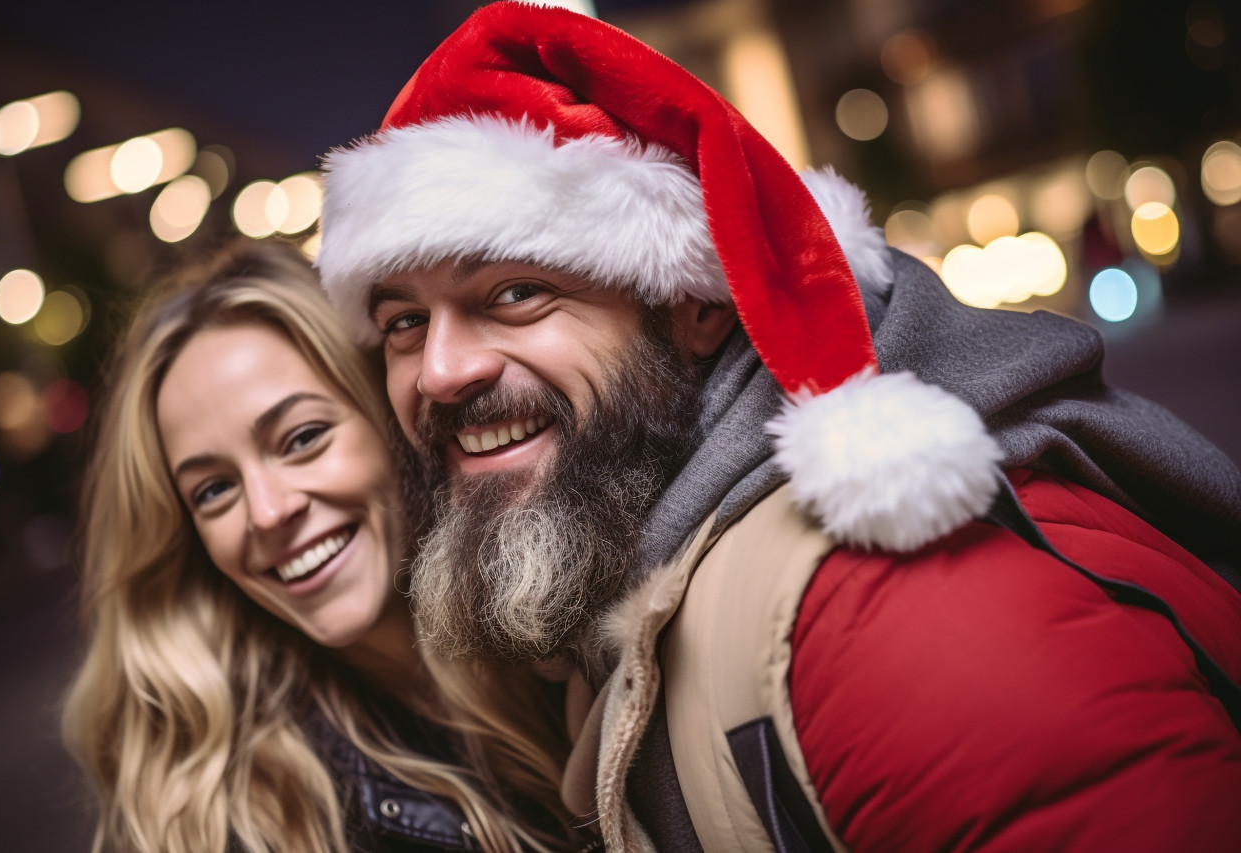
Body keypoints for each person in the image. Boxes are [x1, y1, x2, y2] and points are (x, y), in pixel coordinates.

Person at [316, 3, 1241, 851]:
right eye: (404, 321)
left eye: (517, 294)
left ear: (695, 307)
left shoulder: (890, 607)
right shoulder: (638, 560)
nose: (441, 370)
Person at [61, 239, 590, 853]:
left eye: (302, 438)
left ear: (390, 416)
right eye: (213, 490)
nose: (266, 512)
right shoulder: (235, 823)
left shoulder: (575, 632)